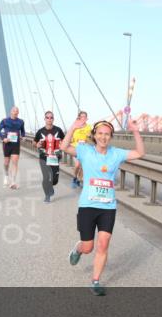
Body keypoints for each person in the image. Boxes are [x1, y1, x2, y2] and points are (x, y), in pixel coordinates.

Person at [62, 116, 145, 295]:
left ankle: (95, 281)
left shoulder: (116, 153)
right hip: (87, 205)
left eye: (107, 134)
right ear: (94, 135)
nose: (103, 137)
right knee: (88, 246)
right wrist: (73, 127)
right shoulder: (84, 150)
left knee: (103, 244)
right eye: (100, 133)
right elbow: (63, 147)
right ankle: (78, 249)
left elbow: (139, 153)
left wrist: (135, 131)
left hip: (108, 207)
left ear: (111, 136)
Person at [33, 111, 65, 203]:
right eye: (47, 117)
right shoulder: (40, 131)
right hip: (44, 157)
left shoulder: (58, 130)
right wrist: (37, 144)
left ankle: (51, 188)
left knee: (54, 180)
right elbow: (34, 142)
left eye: (51, 117)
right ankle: (47, 195)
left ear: (53, 119)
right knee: (46, 177)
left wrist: (62, 144)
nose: (49, 119)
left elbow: (64, 140)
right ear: (44, 119)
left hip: (55, 158)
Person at [0, 106, 26, 189]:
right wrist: (3, 138)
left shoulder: (21, 121)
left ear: (18, 112)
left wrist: (23, 136)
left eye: (17, 111)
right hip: (7, 144)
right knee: (6, 162)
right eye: (14, 111)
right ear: (11, 112)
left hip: (16, 144)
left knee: (15, 162)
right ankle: (6, 175)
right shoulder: (5, 121)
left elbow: (23, 131)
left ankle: (13, 181)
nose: (15, 112)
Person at [70, 110, 91, 188]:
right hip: (75, 148)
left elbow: (91, 137)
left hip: (84, 148)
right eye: (82, 116)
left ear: (87, 118)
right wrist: (71, 139)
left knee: (83, 166)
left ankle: (79, 180)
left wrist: (89, 137)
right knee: (77, 165)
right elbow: (70, 134)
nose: (83, 118)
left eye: (85, 117)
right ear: (79, 117)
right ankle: (74, 178)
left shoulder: (89, 127)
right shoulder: (75, 125)